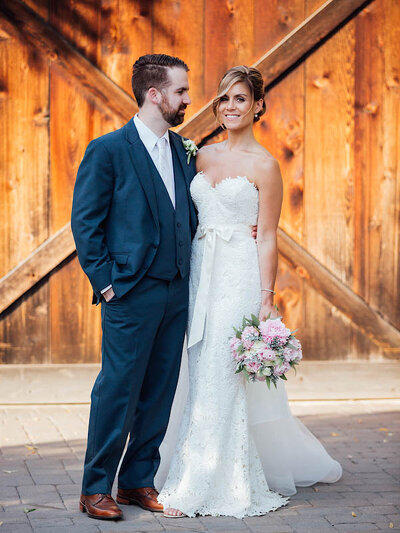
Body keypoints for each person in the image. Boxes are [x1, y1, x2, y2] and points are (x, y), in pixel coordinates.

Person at [157, 65, 342, 518]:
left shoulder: (266, 166)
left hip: (238, 273)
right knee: (198, 369)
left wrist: (265, 296)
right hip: (201, 271)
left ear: (258, 105)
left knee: (222, 371)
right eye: (223, 99)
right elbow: (185, 219)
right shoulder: (197, 156)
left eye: (240, 99)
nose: (230, 107)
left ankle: (203, 482)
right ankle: (192, 466)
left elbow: (268, 236)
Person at [71, 54, 198, 521]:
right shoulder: (108, 150)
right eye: (181, 91)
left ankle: (137, 480)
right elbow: (86, 223)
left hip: (176, 292)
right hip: (128, 292)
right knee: (118, 390)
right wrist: (106, 285)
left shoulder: (184, 149)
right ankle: (95, 487)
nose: (188, 99)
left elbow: (193, 214)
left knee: (160, 389)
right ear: (154, 94)